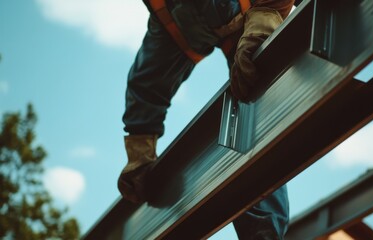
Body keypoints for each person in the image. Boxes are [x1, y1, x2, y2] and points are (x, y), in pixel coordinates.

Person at [118, 0, 296, 238]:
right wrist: (139, 151)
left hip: (256, 7)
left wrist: (268, 14)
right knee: (251, 97)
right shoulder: (170, 15)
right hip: (203, 20)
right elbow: (148, 83)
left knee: (260, 91)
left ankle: (265, 232)